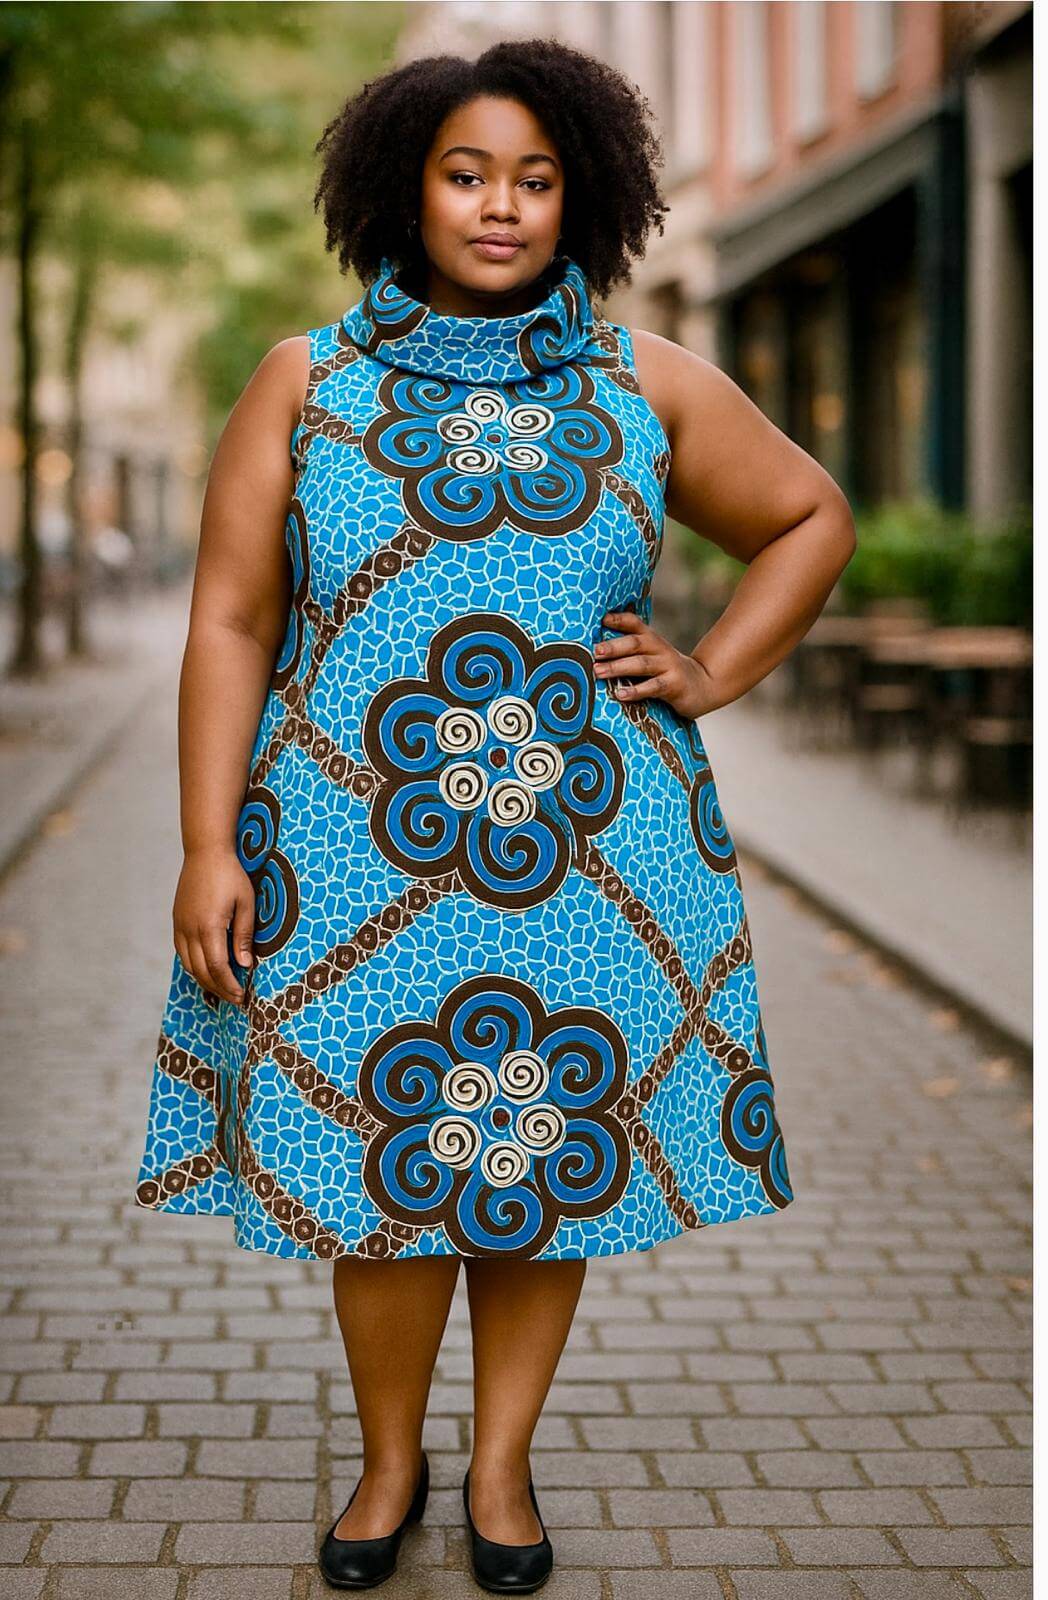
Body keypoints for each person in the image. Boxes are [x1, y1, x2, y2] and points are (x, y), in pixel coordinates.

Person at [132, 38, 856, 1596]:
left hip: (587, 859)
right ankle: (389, 1464)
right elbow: (231, 620)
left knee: (543, 1152)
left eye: (535, 179)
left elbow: (810, 514)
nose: (503, 206)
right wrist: (204, 844)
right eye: (468, 175)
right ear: (408, 191)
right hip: (347, 858)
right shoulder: (306, 381)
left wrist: (716, 666)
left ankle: (503, 1466)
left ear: (579, 198)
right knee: (384, 1168)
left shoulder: (643, 382)